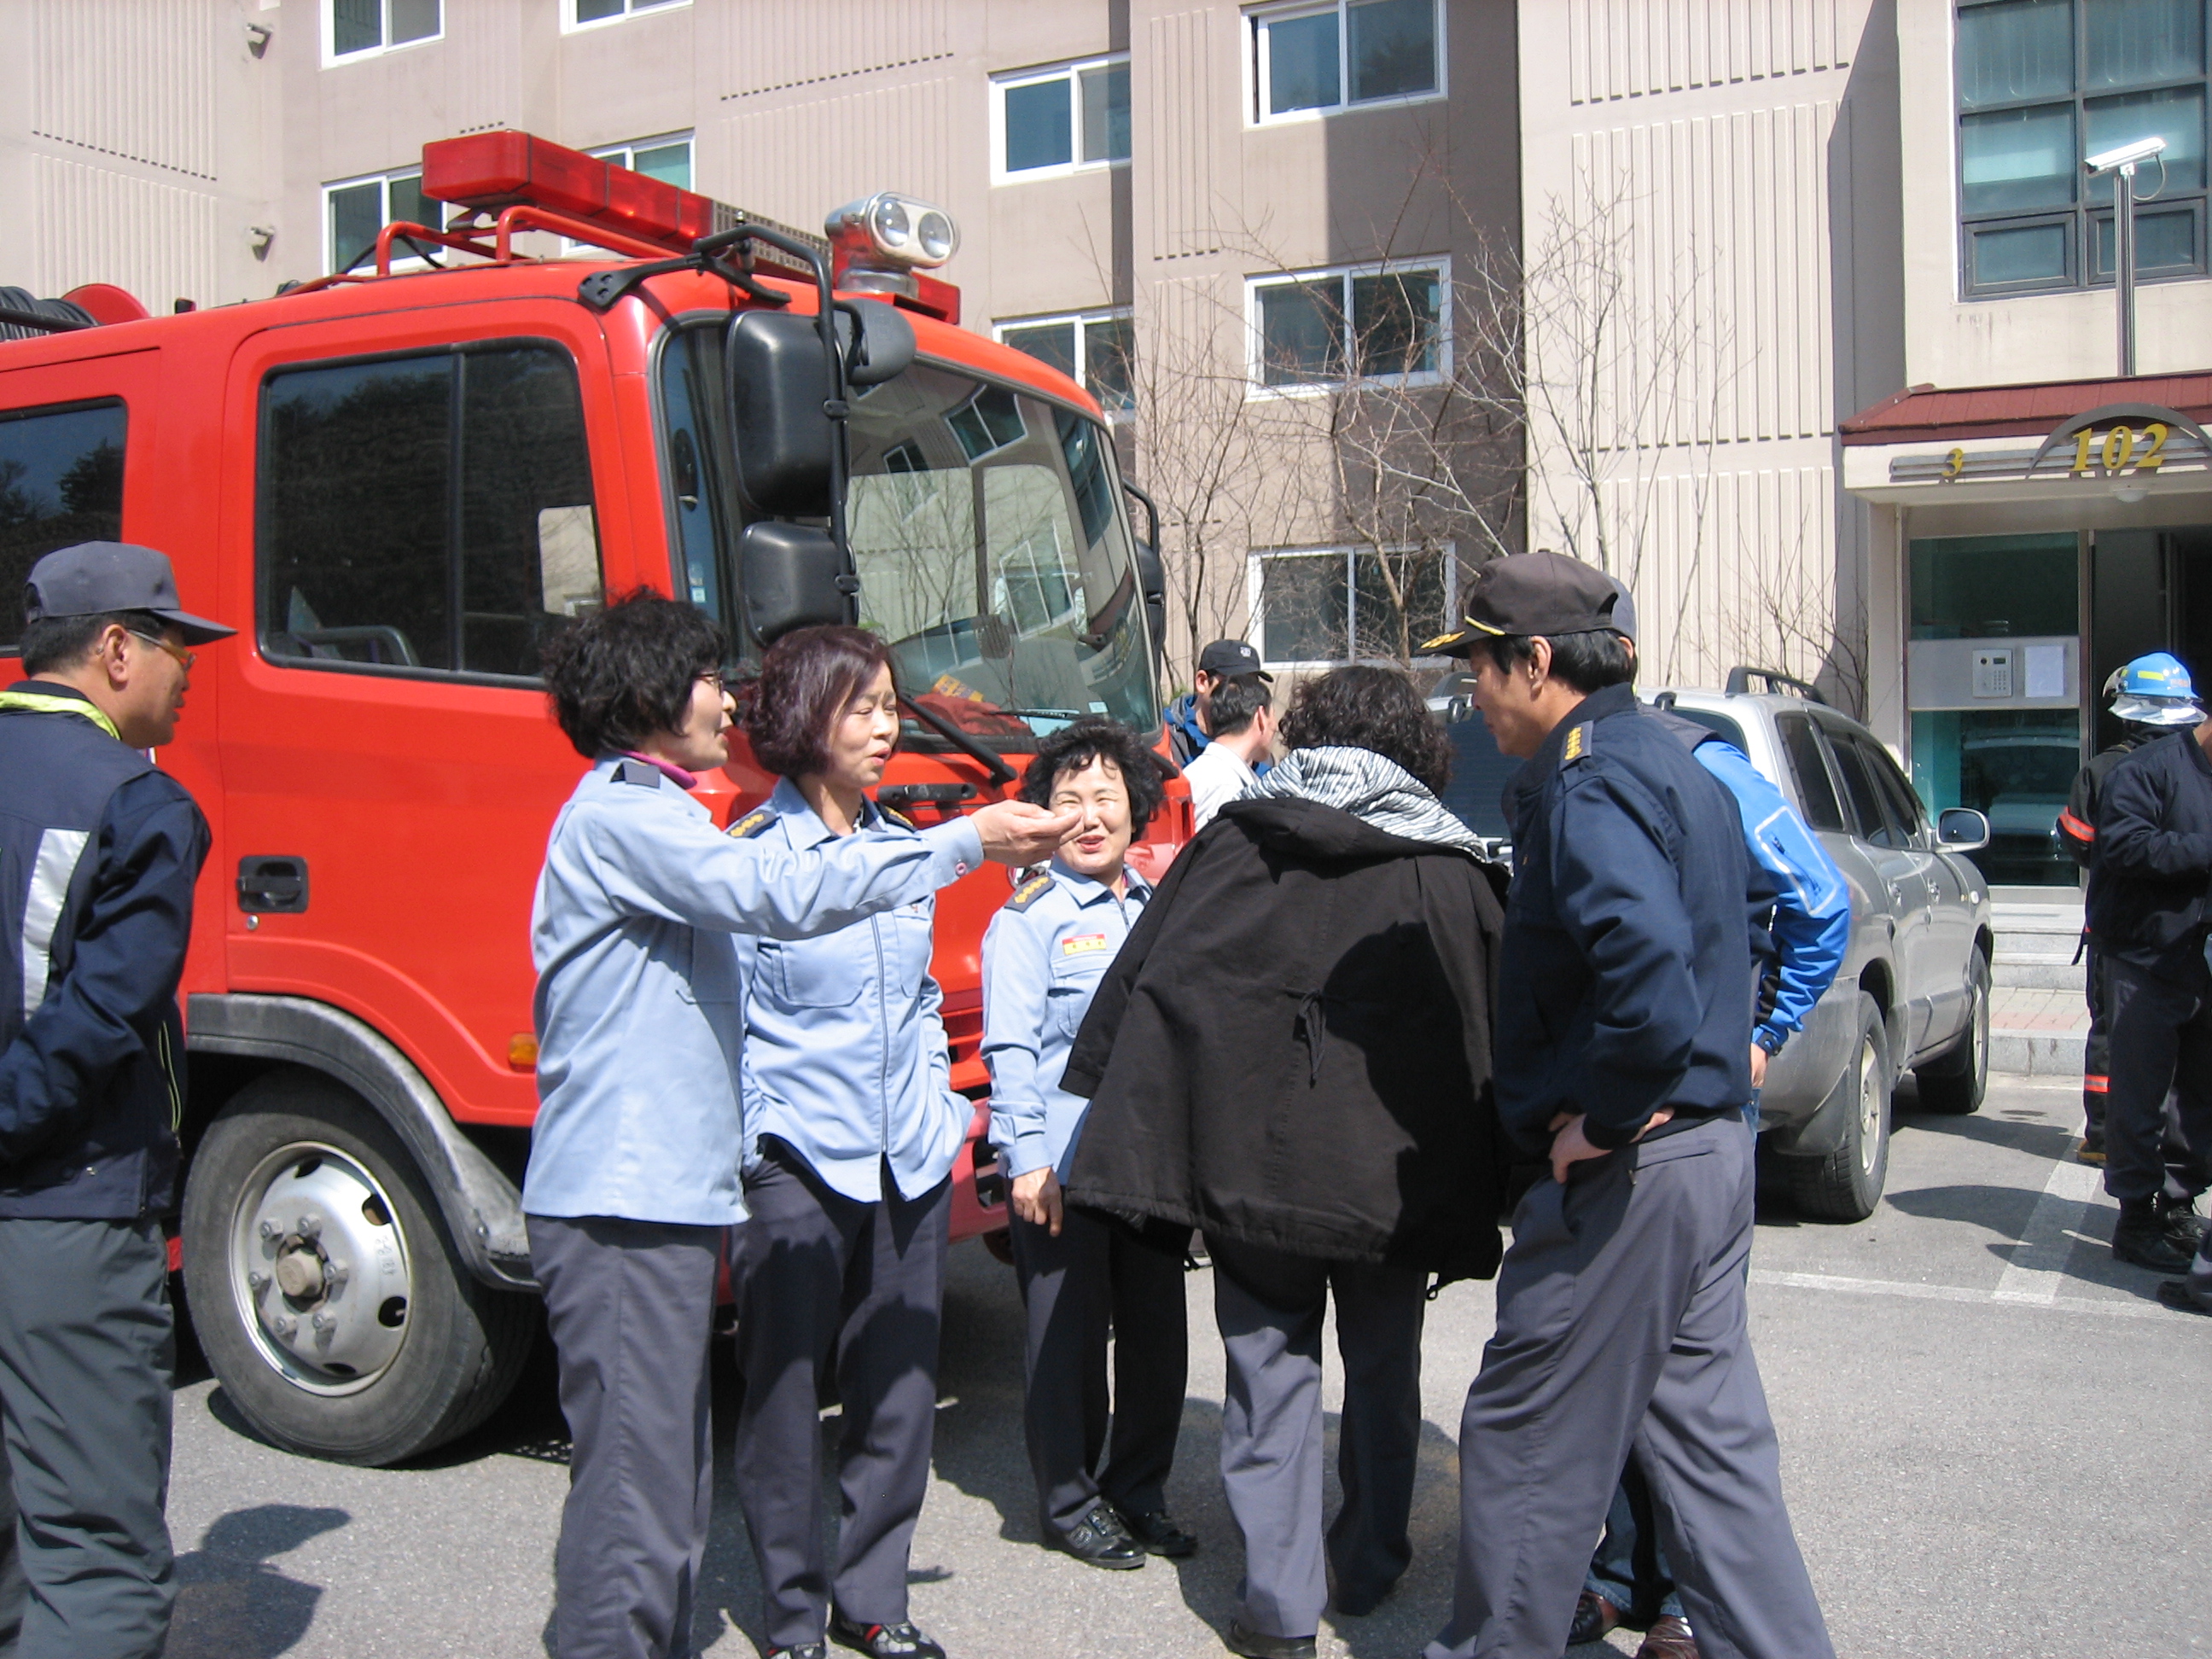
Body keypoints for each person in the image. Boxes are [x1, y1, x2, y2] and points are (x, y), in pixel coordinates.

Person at [526, 595, 1074, 1659]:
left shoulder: (667, 815)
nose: (724, 701)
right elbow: (775, 896)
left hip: (691, 1191)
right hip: (637, 1194)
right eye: (705, 680)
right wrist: (969, 837)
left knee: (666, 1489)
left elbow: (905, 992)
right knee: (639, 1502)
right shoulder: (636, 819)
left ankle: (853, 1599)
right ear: (647, 694)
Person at [1419, 550, 1833, 1659]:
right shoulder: (1670, 757)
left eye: (1479, 668)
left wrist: (1604, 1116)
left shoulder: (1591, 779)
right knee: (1713, 1460)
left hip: (1633, 1173)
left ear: (1535, 661)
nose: (1473, 692)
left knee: (1526, 1433)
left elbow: (1649, 984)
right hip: (1708, 1157)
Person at [1064, 665, 1509, 1659]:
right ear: (1419, 752)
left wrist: (1105, 1103)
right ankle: (1369, 1562)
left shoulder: (1233, 844)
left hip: (1251, 1166)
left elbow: (1147, 983)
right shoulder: (1450, 866)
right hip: (1391, 1184)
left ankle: (1277, 1609)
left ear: (1305, 736)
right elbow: (1495, 1031)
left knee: (1267, 1376)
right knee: (1384, 1368)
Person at [1559, 584, 1851, 1659]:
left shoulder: (1702, 765)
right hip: (1598, 1107)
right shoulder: (1564, 772)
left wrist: (1765, 1031)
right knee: (1631, 1361)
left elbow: (1820, 903)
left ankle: (1686, 1594)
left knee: (1689, 1368)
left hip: (1679, 1111)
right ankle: (1620, 1572)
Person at [0, 542, 234, 1659]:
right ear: (114, 650)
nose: (190, 674)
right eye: (179, 648)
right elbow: (97, 1022)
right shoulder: (140, 804)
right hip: (69, 1206)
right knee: (96, 1561)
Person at [726, 626, 974, 1659]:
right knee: (786, 1395)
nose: (886, 727)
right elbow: (728, 1021)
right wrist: (753, 1147)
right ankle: (792, 1615)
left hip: (906, 1152)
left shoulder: (901, 845)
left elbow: (917, 996)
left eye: (890, 706)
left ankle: (872, 1596)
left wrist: (942, 1108)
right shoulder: (750, 859)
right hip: (797, 1156)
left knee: (900, 1388)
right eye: (863, 707)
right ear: (803, 716)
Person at [981, 719, 1192, 1573]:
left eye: (1107, 797)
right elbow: (1009, 1049)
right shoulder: (1027, 918)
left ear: (1136, 808)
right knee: (1067, 1342)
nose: (1090, 815)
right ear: (1044, 815)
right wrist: (1025, 1158)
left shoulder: (1155, 907)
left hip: (1148, 1167)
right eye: (1069, 799)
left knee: (1157, 1338)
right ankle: (1069, 1501)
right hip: (1062, 1169)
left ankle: (1138, 1490)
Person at [2082, 693, 2212, 1277]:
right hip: (2143, 955)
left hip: (2200, 959)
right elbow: (2124, 846)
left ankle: (2177, 1204)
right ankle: (2134, 1218)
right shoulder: (2146, 771)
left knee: (2196, 1094)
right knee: (2140, 1093)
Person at [2059, 654, 2206, 1166]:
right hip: (2178, 938)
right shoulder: (2192, 769)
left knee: (2112, 1035)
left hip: (2119, 934)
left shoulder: (2104, 769)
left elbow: (2080, 841)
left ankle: (2104, 1134)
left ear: (2128, 712)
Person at [1182, 676, 1275, 831]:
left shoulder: (1205, 771)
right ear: (1260, 717)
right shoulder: (1226, 787)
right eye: (1272, 715)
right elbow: (1208, 846)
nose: (1275, 726)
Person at [1164, 638, 1272, 765]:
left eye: (1252, 684)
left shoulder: (1256, 745)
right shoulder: (1166, 739)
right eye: (1234, 684)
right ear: (1202, 682)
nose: (1245, 694)